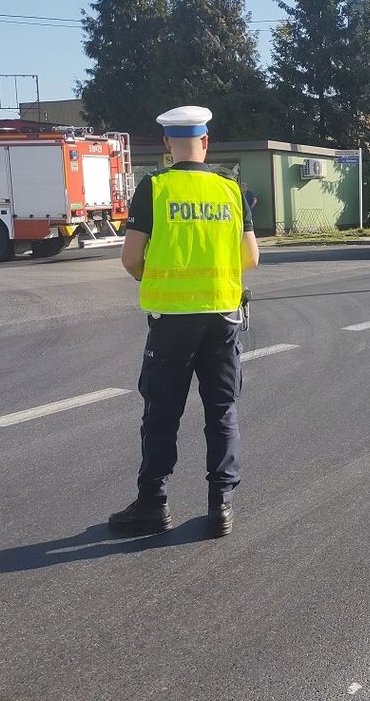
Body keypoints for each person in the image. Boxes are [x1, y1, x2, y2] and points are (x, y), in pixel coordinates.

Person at [108, 106, 260, 538]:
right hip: (222, 317)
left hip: (172, 323)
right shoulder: (231, 189)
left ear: (167, 146)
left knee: (162, 412)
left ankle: (153, 504)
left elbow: (131, 258)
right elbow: (250, 256)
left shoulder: (154, 188)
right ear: (206, 142)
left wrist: (155, 278)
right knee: (222, 410)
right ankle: (221, 508)